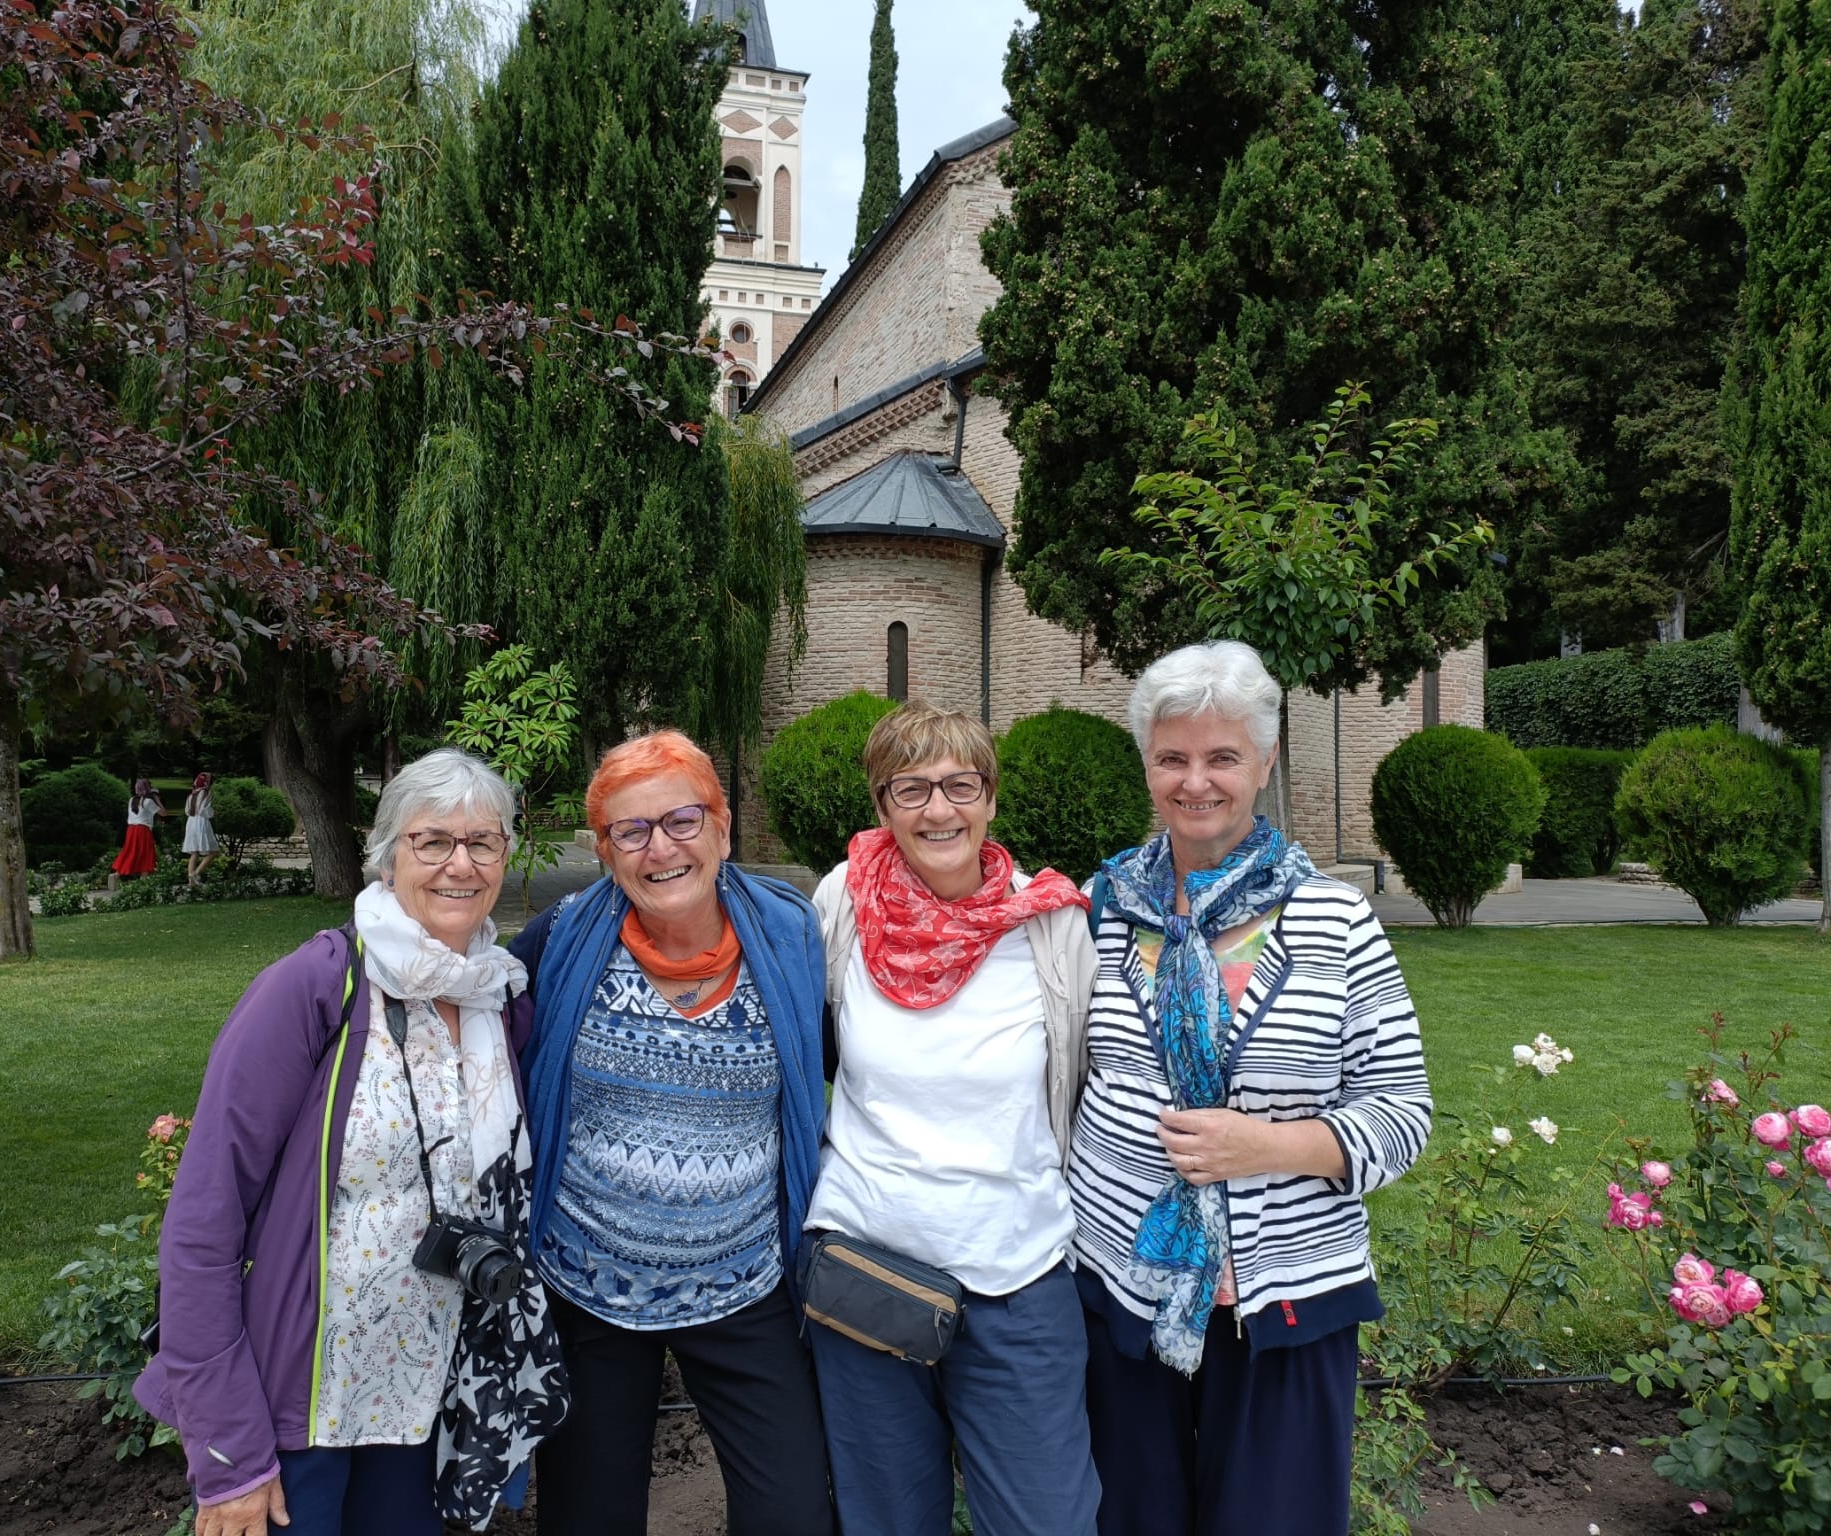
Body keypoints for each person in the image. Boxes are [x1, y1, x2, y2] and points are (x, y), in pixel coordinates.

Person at [135, 749, 568, 1536]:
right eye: (433, 841)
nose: (460, 865)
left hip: (422, 1403)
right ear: (388, 852)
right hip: (298, 1409)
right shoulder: (314, 988)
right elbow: (203, 1222)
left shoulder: (497, 998)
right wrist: (228, 1452)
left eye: (483, 842)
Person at [1068, 640, 1432, 1536]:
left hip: (1286, 1298)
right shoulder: (1098, 910)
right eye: (1173, 758)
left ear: (1265, 764)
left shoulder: (1334, 920)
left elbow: (1402, 1112)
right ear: (1147, 765)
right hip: (1120, 1286)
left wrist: (1262, 1146)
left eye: (1222, 757)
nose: (1196, 781)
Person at [507, 730, 835, 1536]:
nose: (661, 849)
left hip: (743, 1281)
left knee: (794, 1513)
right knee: (588, 1518)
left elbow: (850, 1062)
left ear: (722, 826)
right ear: (604, 849)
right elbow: (478, 1046)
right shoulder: (560, 939)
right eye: (632, 830)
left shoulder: (791, 937)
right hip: (588, 1282)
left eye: (683, 820)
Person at [804, 701, 1102, 1536]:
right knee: (888, 1522)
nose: (939, 809)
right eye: (911, 789)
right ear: (883, 806)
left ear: (991, 799)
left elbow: (1090, 1078)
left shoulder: (1050, 923)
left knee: (1050, 1521)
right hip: (868, 1271)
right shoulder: (844, 902)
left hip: (1019, 1272)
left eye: (960, 785)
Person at [112, 778, 165, 878]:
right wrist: (157, 799)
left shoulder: (132, 800)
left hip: (131, 829)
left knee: (129, 851)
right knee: (146, 853)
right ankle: (144, 878)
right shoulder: (148, 802)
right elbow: (164, 813)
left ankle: (117, 873)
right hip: (143, 830)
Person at [183, 772, 219, 886]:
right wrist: (213, 813)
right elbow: (204, 809)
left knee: (194, 853)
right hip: (201, 822)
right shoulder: (206, 792)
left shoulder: (191, 794)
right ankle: (195, 874)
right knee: (213, 851)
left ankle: (191, 883)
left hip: (191, 822)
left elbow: (187, 811)